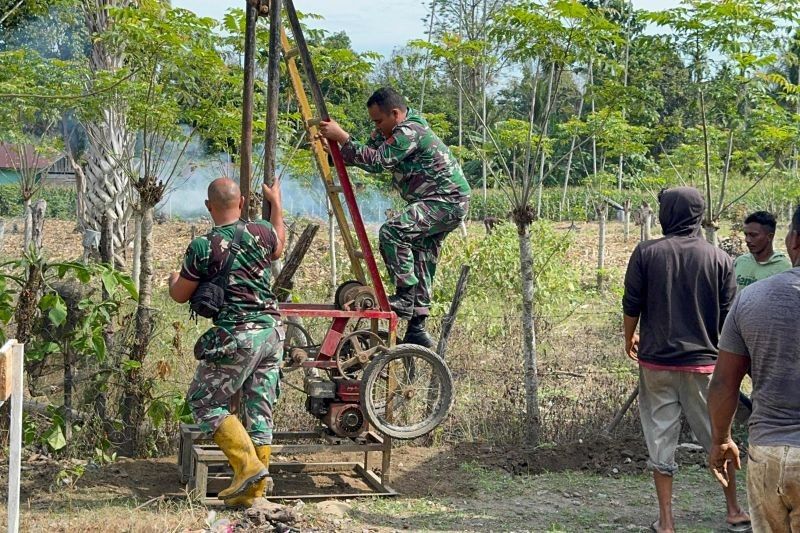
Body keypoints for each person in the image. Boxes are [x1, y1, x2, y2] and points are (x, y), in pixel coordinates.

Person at [622, 187, 750, 533]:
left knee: (660, 441)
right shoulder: (720, 259)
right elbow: (729, 319)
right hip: (706, 367)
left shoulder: (646, 252)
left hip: (656, 365)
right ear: (697, 214)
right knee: (718, 436)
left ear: (667, 215)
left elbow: (631, 303)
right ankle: (735, 510)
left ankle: (666, 521)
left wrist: (628, 337)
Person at [318, 86, 470, 349]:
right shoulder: (387, 132)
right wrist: (333, 152)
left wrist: (342, 137)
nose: (376, 127)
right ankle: (417, 326)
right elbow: (365, 156)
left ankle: (405, 295)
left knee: (393, 231)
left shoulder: (410, 131)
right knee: (422, 254)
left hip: (447, 199)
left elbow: (379, 161)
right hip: (436, 201)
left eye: (379, 121)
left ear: (396, 114)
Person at [168, 177, 285, 508]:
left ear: (209, 206)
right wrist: (276, 202)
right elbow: (279, 244)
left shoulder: (203, 247)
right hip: (273, 332)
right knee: (259, 408)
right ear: (244, 202)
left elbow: (180, 296)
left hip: (238, 335)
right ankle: (255, 493)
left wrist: (174, 280)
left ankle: (248, 468)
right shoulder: (262, 231)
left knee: (203, 402)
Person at [708, 205, 800, 532]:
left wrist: (720, 439)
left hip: (769, 452)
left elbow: (722, 384)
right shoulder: (742, 272)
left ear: (791, 240)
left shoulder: (750, 299)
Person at [734, 211, 792, 290]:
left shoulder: (783, 268)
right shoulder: (740, 262)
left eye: (753, 235)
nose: (747, 240)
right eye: (746, 235)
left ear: (769, 237)